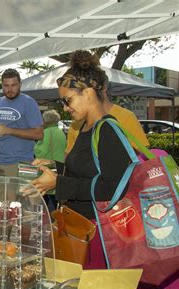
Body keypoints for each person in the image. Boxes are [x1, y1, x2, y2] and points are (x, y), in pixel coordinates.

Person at [31, 50, 132, 269]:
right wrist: (54, 165)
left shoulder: (108, 130)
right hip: (82, 229)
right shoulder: (86, 128)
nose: (66, 108)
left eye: (68, 101)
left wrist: (59, 183)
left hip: (99, 235)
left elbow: (114, 187)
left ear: (87, 93)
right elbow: (87, 169)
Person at [0, 68, 43, 177]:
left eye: (13, 85)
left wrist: (9, 130)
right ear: (2, 85)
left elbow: (39, 134)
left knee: (21, 194)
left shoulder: (29, 102)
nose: (10, 89)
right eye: (6, 86)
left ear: (20, 84)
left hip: (22, 163)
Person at [65, 81, 149, 154]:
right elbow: (68, 157)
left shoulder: (127, 117)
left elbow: (141, 156)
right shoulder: (76, 124)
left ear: (104, 87)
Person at [34, 110, 67, 210]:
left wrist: (35, 147)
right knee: (55, 195)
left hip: (48, 166)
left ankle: (46, 217)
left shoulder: (47, 132)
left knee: (44, 195)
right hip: (59, 165)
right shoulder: (60, 132)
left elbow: (41, 151)